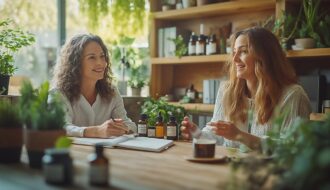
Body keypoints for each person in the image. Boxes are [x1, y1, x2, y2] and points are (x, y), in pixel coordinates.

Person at [181, 27, 312, 150]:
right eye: (234, 52)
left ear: (264, 57)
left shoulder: (293, 95)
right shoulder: (227, 91)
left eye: (243, 51)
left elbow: (292, 149)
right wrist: (196, 133)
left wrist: (241, 136)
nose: (235, 59)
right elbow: (217, 136)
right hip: (230, 170)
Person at [52, 33, 136, 138]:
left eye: (102, 56)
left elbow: (129, 125)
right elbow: (61, 127)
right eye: (92, 57)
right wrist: (97, 131)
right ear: (75, 63)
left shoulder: (112, 92)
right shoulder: (58, 94)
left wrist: (121, 128)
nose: (100, 63)